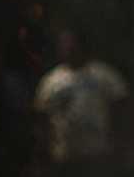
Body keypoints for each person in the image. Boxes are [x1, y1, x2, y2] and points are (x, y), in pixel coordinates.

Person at [34, 30, 128, 163]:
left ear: (82, 45)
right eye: (64, 45)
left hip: (98, 152)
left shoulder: (104, 75)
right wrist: (43, 150)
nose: (69, 48)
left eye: (72, 44)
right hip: (64, 154)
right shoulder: (51, 82)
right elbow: (41, 117)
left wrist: (121, 142)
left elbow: (121, 107)